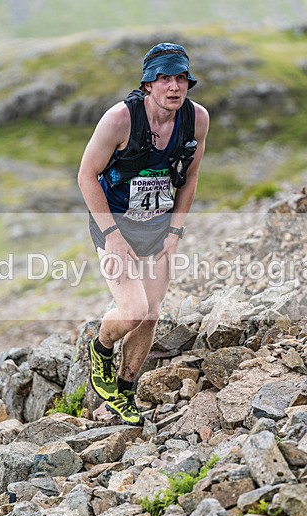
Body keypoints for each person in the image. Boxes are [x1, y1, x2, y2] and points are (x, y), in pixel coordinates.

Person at [77, 42, 209, 425]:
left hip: (158, 228)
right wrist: (113, 236)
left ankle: (124, 393)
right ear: (148, 84)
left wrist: (175, 232)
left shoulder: (196, 119)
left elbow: (192, 176)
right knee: (132, 311)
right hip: (114, 225)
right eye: (164, 78)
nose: (174, 86)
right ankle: (100, 348)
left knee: (150, 316)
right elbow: (86, 177)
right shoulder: (120, 120)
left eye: (181, 77)